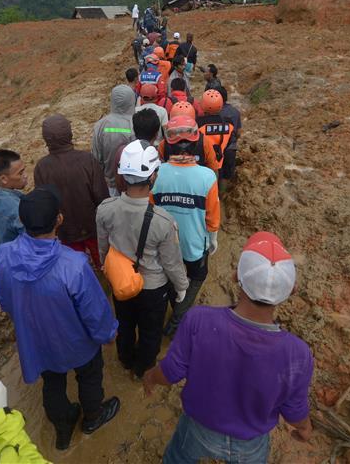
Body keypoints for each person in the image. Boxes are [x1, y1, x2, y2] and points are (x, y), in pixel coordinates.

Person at [143, 232, 314, 463]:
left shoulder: (199, 320)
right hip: (250, 442)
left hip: (198, 427)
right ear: (290, 290)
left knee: (177, 458)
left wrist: (151, 376)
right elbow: (294, 410)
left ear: (236, 277)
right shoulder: (298, 354)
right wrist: (304, 428)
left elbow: (170, 373)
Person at [0, 186, 120, 450]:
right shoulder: (73, 264)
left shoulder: (3, 255)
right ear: (59, 219)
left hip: (37, 339)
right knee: (90, 377)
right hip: (77, 341)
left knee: (51, 382)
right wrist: (107, 334)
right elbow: (94, 311)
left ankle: (63, 425)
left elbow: (4, 298)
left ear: (23, 220)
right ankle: (93, 417)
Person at [97, 141, 188, 379]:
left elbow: (103, 248)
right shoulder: (163, 220)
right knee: (150, 333)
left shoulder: (105, 209)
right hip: (153, 289)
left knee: (125, 325)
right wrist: (182, 288)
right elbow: (171, 263)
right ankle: (143, 369)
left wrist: (108, 271)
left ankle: (125, 359)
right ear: (152, 176)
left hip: (121, 283)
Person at [152, 117, 220, 336]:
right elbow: (212, 219)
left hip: (164, 244)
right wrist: (213, 239)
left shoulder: (156, 173)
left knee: (172, 277)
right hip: (194, 244)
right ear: (195, 144)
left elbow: (151, 211)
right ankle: (178, 318)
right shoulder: (207, 176)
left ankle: (176, 304)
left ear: (168, 144)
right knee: (198, 276)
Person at [34, 114, 110, 270]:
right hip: (92, 227)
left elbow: (44, 204)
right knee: (104, 264)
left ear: (46, 139)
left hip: (64, 232)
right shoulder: (87, 160)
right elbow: (102, 197)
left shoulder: (42, 167)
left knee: (75, 269)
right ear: (70, 134)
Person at [92, 85, 136, 196]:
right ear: (132, 100)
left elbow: (96, 158)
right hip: (132, 187)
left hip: (109, 187)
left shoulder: (100, 125)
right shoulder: (135, 124)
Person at [114, 108, 162, 194]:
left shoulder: (122, 152)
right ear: (156, 134)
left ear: (134, 130)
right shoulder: (156, 156)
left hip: (124, 197)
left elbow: (118, 182)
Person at [196, 89, 233, 173]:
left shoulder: (198, 123)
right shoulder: (228, 123)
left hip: (203, 162)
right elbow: (231, 140)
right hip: (221, 159)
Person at [218, 86, 243, 188]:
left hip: (215, 149)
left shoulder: (212, 112)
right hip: (230, 148)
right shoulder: (235, 112)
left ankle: (215, 197)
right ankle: (222, 196)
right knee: (226, 176)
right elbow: (239, 132)